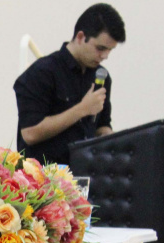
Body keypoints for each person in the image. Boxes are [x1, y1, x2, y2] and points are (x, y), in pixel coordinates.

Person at [14, 3, 126, 165]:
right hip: (45, 178)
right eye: (100, 48)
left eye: (110, 50)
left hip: (87, 174)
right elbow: (30, 133)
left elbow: (102, 125)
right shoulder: (42, 72)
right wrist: (82, 109)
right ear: (80, 37)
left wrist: (113, 140)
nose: (105, 56)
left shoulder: (101, 77)